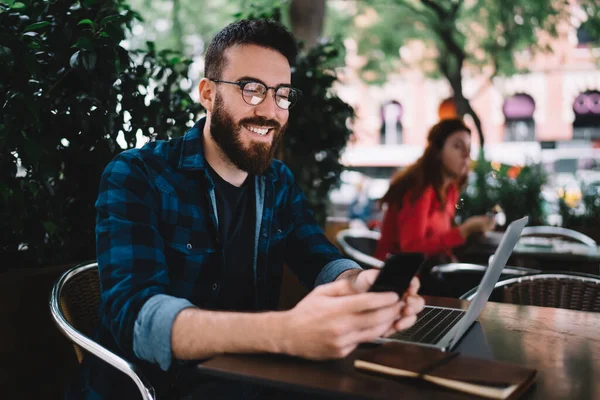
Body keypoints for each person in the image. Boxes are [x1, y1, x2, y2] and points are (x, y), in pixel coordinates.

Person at [69, 19, 424, 400]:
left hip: (250, 380)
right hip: (156, 388)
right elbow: (136, 319)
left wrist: (359, 284)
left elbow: (319, 257)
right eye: (251, 89)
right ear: (207, 93)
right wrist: (286, 333)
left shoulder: (277, 182)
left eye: (282, 94)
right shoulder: (138, 174)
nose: (270, 111)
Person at [374, 119, 495, 263]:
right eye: (458, 146)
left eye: (469, 148)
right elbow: (410, 250)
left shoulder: (450, 190)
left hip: (429, 272)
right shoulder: (420, 188)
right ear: (437, 151)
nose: (466, 155)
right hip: (397, 277)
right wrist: (464, 231)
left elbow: (440, 241)